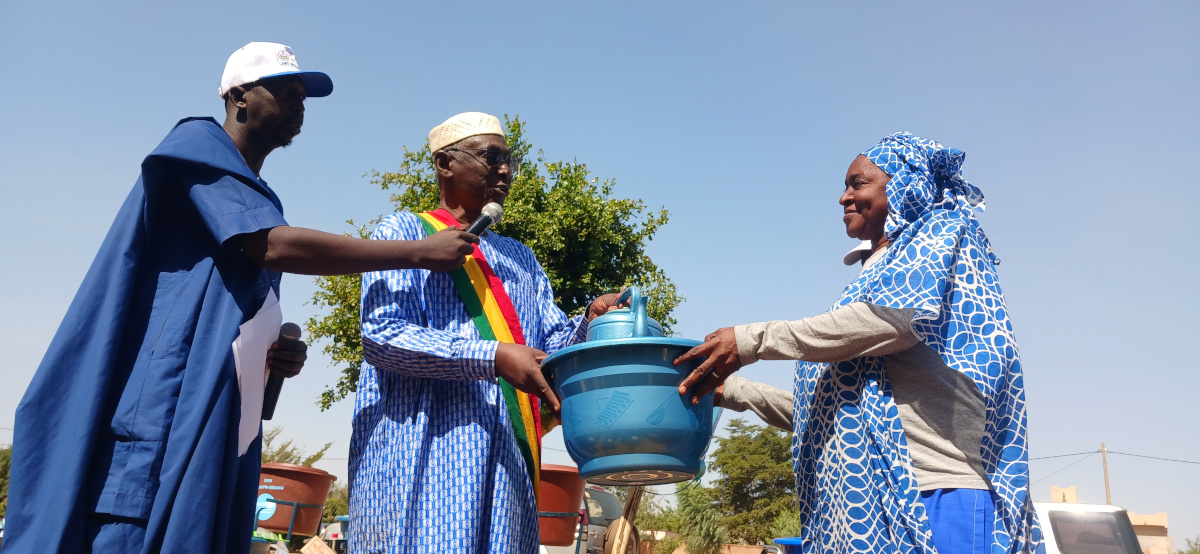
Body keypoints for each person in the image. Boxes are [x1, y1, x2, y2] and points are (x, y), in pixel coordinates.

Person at [6, 42, 477, 554]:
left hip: (217, 411)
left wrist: (273, 353)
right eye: (286, 91)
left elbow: (226, 306)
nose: (300, 105)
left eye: (304, 95)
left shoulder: (250, 192)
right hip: (160, 409)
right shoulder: (196, 153)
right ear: (238, 97)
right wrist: (416, 252)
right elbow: (271, 246)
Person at [675, 133, 1042, 554]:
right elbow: (827, 417)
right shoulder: (874, 282)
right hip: (877, 513)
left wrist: (751, 341)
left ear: (904, 185)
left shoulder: (944, 235)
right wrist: (732, 392)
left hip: (937, 499)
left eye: (858, 183)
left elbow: (893, 321)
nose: (844, 197)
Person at [348, 112, 621, 554]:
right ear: (444, 164)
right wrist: (490, 356)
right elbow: (382, 334)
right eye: (491, 157)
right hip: (426, 456)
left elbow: (551, 351)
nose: (506, 170)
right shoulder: (403, 232)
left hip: (508, 461)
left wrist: (591, 319)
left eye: (510, 159)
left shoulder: (521, 258)